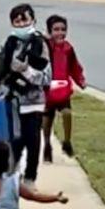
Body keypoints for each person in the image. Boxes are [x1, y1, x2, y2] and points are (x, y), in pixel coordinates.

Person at [0, 4, 51, 188]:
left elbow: (46, 77)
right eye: (16, 21)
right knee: (13, 138)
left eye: (24, 19)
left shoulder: (40, 45)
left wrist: (26, 70)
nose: (21, 24)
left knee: (32, 140)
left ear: (33, 20)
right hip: (12, 99)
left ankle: (30, 178)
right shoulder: (9, 43)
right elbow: (0, 71)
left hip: (32, 101)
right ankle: (9, 172)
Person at [42, 15, 86, 163]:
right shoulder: (45, 46)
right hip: (47, 89)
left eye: (63, 29)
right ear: (49, 31)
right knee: (47, 119)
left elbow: (74, 67)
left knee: (67, 113)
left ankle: (67, 141)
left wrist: (80, 80)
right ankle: (47, 145)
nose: (60, 33)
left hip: (62, 88)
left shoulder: (68, 48)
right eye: (56, 30)